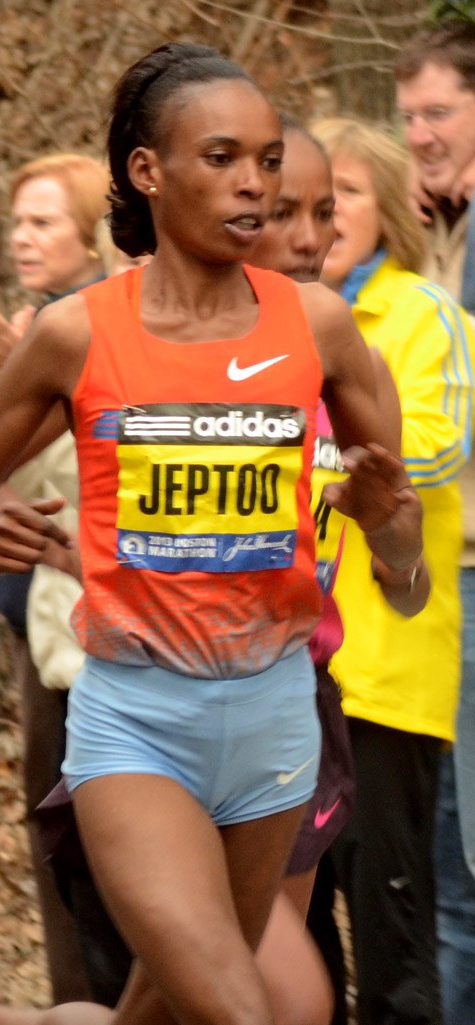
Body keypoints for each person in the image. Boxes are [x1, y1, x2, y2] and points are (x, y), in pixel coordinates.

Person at [0, 42, 425, 1025]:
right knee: (247, 1010)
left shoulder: (319, 329)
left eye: (267, 159)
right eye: (223, 157)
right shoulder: (81, 333)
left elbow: (406, 578)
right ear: (148, 171)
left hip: (278, 723)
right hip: (139, 722)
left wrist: (388, 524)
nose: (254, 184)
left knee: (164, 1013)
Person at [307, 115, 475, 1025]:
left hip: (386, 676)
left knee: (392, 934)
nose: (326, 218)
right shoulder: (269, 320)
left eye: (349, 196)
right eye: (310, 201)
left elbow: (434, 459)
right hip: (284, 673)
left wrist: (328, 462)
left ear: (390, 212)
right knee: (293, 937)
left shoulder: (426, 317)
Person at [0, 152, 112, 1004]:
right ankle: (72, 1005)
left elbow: (63, 479)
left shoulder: (96, 325)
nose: (22, 237)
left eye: (43, 221)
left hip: (96, 632)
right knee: (59, 853)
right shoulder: (37, 322)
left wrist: (3, 383)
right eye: (16, 221)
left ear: (93, 229)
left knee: (98, 862)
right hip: (41, 626)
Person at [394, 21, 475, 1025]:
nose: (418, 133)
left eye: (440, 112)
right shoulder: (433, 239)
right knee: (446, 859)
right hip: (433, 574)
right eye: (407, 115)